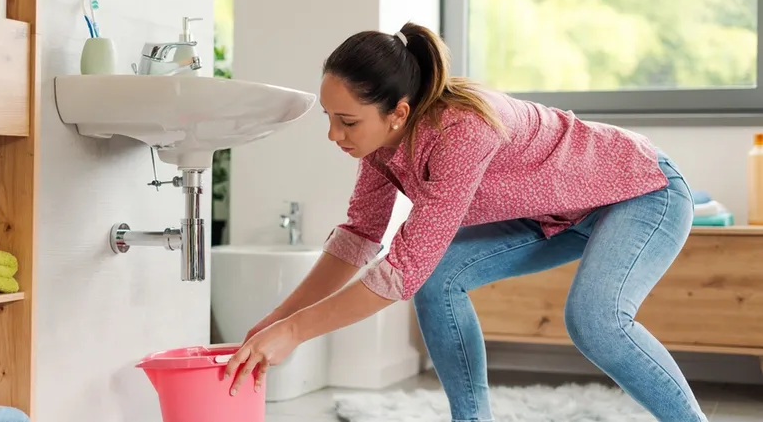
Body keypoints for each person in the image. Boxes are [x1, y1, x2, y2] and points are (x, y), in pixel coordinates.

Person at [224, 21, 706, 422]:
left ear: (399, 112)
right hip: (553, 215)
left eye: (347, 121)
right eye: (329, 117)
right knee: (440, 277)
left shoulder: (462, 130)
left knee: (594, 321)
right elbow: (359, 238)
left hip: (640, 189)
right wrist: (277, 321)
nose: (334, 134)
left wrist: (294, 333)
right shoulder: (381, 149)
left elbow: (402, 268)